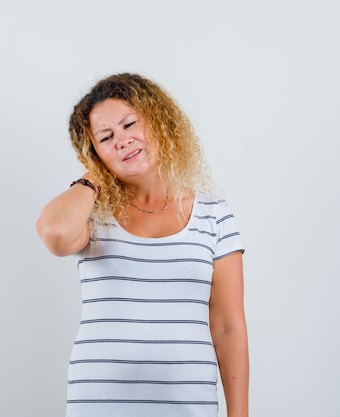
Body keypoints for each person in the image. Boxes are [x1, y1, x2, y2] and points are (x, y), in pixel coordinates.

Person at [36, 73, 248, 417]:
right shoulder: (92, 215)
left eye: (129, 124)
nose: (121, 140)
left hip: (188, 408)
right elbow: (56, 233)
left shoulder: (214, 215)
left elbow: (228, 327)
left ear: (159, 121)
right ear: (95, 153)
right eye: (106, 137)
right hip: (100, 406)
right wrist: (94, 176)